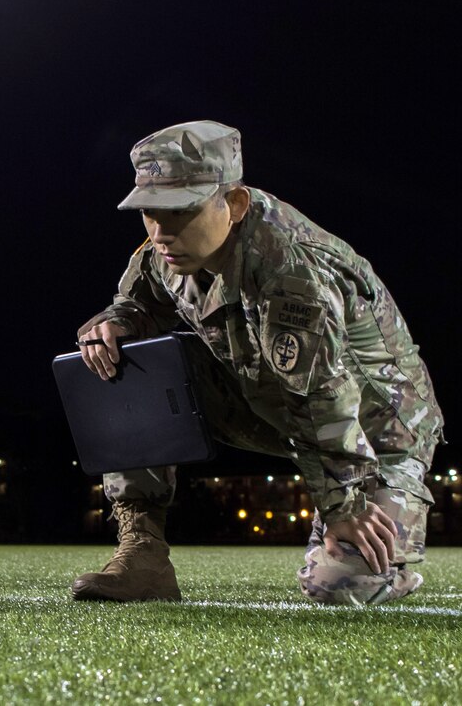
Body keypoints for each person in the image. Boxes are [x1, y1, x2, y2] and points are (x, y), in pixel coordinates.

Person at [72, 121, 443, 605]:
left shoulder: (291, 269)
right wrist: (109, 325)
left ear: (236, 204)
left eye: (181, 210)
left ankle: (389, 561)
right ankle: (143, 556)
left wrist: (343, 505)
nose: (160, 233)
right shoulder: (167, 249)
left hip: (374, 431)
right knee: (116, 363)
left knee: (339, 583)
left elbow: (321, 396)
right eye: (150, 212)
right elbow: (134, 305)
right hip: (272, 403)